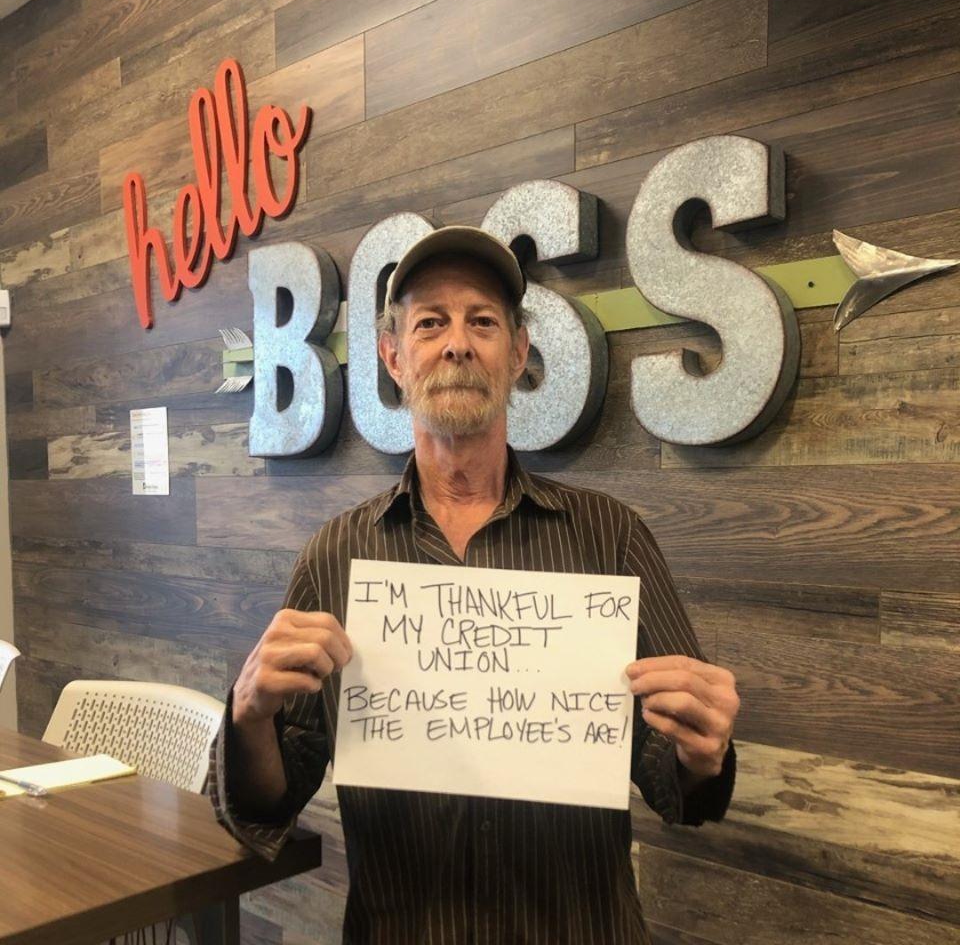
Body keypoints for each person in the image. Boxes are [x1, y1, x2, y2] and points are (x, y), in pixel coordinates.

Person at [208, 225, 740, 944]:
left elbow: (677, 784)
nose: (457, 343)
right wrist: (250, 717)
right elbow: (273, 796)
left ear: (517, 354)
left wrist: (701, 750)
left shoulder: (610, 536)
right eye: (430, 323)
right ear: (393, 357)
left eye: (482, 322)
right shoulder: (338, 554)